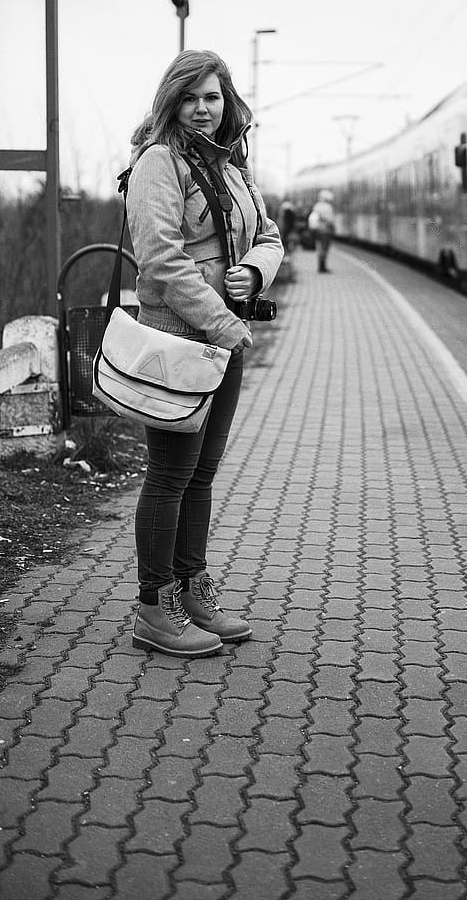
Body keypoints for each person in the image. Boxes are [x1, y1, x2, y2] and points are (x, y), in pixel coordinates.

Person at [125, 49, 284, 657]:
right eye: (190, 97)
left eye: (212, 97)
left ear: (226, 102)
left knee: (201, 475)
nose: (202, 108)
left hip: (224, 339)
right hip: (179, 339)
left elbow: (268, 236)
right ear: (172, 101)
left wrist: (254, 272)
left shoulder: (230, 164)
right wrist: (223, 321)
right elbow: (161, 260)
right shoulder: (158, 164)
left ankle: (192, 590)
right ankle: (153, 606)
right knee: (169, 475)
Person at [307, 189, 336, 273]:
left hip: (317, 230)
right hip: (325, 231)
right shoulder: (328, 207)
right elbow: (330, 220)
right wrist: (333, 228)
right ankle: (323, 267)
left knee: (319, 247)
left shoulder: (317, 206)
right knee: (324, 249)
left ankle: (320, 266)